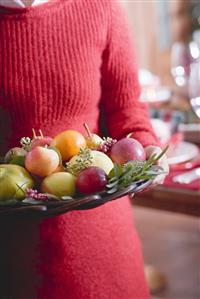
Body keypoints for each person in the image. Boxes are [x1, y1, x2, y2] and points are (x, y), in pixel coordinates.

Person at [0, 0, 169, 298]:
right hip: (12, 249)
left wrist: (146, 146)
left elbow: (127, 108)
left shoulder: (100, 7)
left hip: (100, 244)